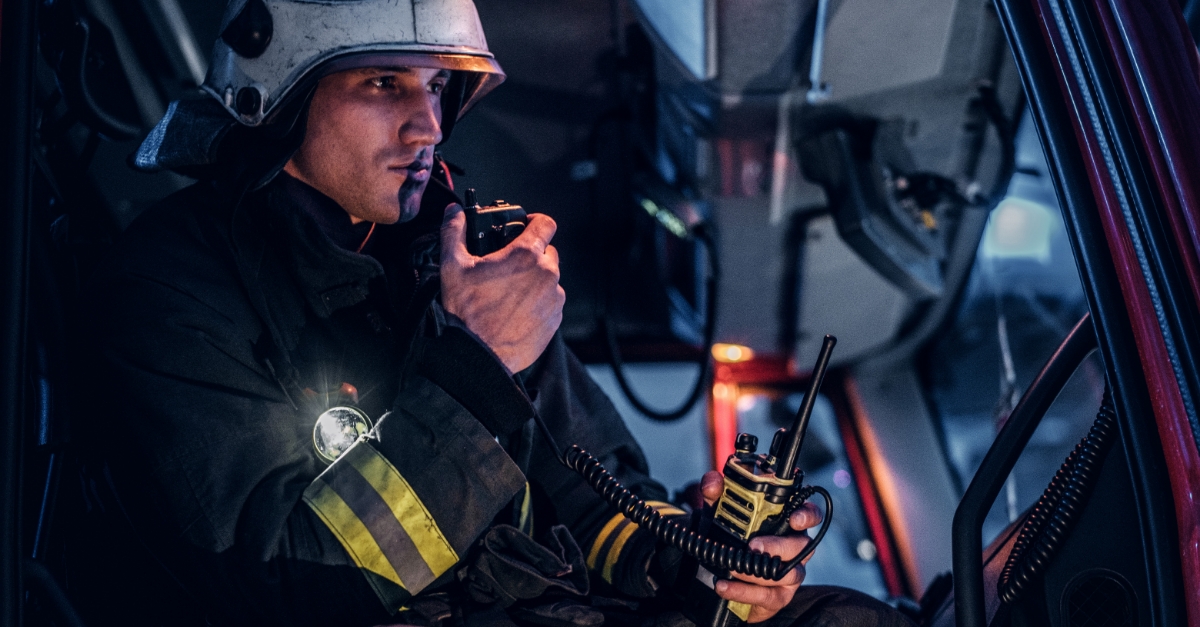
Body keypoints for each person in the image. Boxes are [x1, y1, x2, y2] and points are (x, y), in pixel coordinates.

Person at [68, 1, 913, 626]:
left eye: (438, 87)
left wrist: (705, 557)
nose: (428, 125)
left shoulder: (451, 257)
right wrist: (477, 363)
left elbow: (593, 494)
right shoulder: (167, 289)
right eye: (384, 83)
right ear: (279, 99)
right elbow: (292, 587)